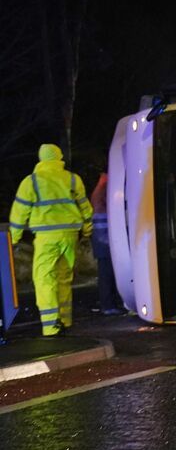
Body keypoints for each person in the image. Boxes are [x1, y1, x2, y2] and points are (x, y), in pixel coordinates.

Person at [9, 144, 93, 336]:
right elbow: (85, 208)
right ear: (59, 157)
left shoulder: (31, 182)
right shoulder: (72, 179)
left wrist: (13, 238)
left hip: (46, 238)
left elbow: (19, 213)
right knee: (64, 277)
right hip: (70, 235)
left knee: (44, 278)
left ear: (41, 158)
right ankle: (65, 319)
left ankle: (50, 325)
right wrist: (87, 231)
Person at [90, 172, 126, 315]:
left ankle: (111, 305)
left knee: (108, 276)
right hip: (105, 244)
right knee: (107, 276)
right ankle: (108, 306)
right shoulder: (100, 196)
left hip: (105, 243)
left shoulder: (100, 197)